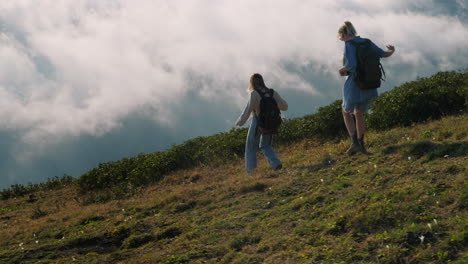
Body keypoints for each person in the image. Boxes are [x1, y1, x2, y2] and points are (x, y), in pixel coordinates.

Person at [338, 21, 395, 155]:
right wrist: (391, 50)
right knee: (359, 113)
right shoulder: (367, 42)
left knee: (346, 111)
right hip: (369, 82)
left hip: (354, 82)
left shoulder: (349, 44)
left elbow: (351, 65)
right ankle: (361, 144)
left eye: (341, 37)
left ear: (344, 34)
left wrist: (342, 70)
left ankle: (354, 143)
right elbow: (383, 54)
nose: (341, 39)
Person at [236, 73, 288, 174]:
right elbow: (285, 106)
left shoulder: (254, 93)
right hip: (271, 122)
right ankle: (276, 164)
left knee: (251, 146)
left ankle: (251, 171)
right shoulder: (272, 92)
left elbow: (248, 109)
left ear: (251, 82)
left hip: (258, 122)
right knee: (266, 145)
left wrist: (240, 122)